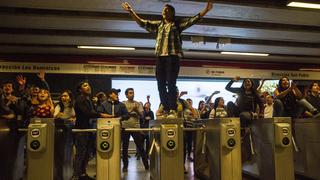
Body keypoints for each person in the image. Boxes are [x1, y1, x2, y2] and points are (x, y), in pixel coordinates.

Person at [122, 1, 213, 117]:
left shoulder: (177, 24)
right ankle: (165, 107)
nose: (164, 12)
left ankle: (173, 110)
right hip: (160, 57)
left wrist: (205, 10)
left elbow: (192, 20)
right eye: (163, 10)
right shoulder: (159, 25)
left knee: (171, 83)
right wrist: (131, 11)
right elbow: (142, 23)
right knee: (160, 84)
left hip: (173, 56)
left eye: (167, 10)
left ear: (172, 13)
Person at [71, 82, 110, 180]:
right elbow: (87, 113)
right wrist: (101, 115)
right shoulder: (80, 100)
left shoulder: (89, 100)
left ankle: (83, 174)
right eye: (84, 86)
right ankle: (76, 176)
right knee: (80, 154)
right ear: (80, 90)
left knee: (87, 153)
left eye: (88, 85)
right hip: (81, 130)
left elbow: (94, 111)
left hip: (88, 130)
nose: (88, 87)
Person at [121, 88, 149, 172]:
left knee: (140, 147)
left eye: (133, 93)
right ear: (126, 95)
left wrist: (136, 110)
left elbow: (142, 115)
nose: (132, 94)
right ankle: (125, 166)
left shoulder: (137, 104)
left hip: (135, 128)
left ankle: (146, 165)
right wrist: (131, 113)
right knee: (125, 148)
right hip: (125, 128)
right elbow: (122, 115)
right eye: (130, 93)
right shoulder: (123, 104)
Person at [54, 90, 76, 180]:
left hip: (71, 133)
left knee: (70, 154)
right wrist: (62, 116)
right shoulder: (59, 106)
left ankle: (69, 175)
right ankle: (60, 176)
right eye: (62, 96)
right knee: (60, 154)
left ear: (70, 98)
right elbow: (55, 115)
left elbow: (76, 117)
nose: (64, 97)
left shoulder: (73, 106)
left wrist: (73, 118)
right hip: (60, 132)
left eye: (66, 96)